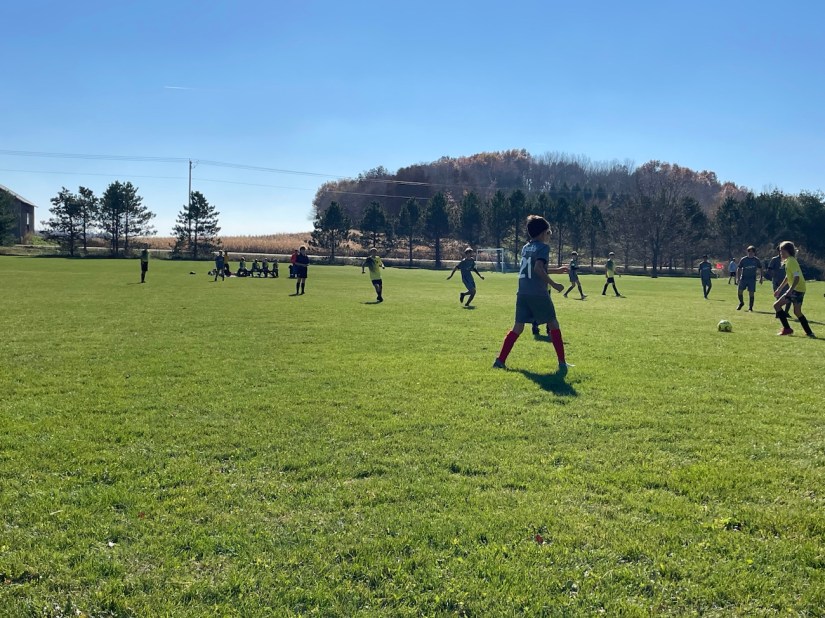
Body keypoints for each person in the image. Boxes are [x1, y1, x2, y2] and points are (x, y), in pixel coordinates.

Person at [493, 215, 571, 373]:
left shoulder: (526, 247)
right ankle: (562, 363)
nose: (549, 235)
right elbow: (537, 269)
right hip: (538, 293)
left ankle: (499, 361)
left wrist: (556, 270)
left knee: (517, 327)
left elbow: (533, 268)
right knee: (553, 324)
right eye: (548, 232)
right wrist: (554, 284)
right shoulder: (543, 248)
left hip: (522, 292)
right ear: (542, 233)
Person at [773, 241, 815, 337]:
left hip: (796, 289)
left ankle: (787, 329)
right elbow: (788, 277)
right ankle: (809, 332)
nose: (780, 253)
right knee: (797, 312)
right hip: (800, 289)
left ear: (788, 251)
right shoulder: (789, 261)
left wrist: (790, 290)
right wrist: (779, 289)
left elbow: (796, 277)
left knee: (777, 305)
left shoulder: (791, 261)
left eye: (782, 251)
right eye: (780, 251)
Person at [736, 245, 763, 311]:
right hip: (744, 278)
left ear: (754, 252)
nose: (750, 253)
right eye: (749, 251)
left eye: (752, 252)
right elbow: (739, 268)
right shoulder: (744, 259)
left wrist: (761, 277)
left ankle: (750, 307)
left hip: (752, 279)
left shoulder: (756, 260)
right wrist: (738, 278)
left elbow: (761, 268)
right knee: (739, 292)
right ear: (747, 252)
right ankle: (741, 303)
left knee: (751, 293)